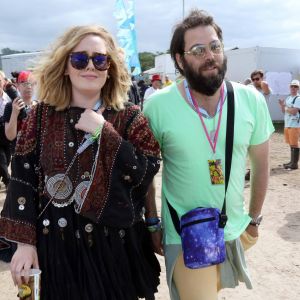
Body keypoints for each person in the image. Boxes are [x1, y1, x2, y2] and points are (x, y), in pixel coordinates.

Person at [0, 25, 161, 300]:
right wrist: (24, 243)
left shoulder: (130, 117)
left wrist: (105, 133)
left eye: (100, 59)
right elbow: (22, 179)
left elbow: (145, 174)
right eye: (80, 59)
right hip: (56, 252)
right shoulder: (40, 117)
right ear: (65, 66)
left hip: (115, 252)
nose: (91, 66)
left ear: (109, 67)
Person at [144, 9, 274, 300]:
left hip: (235, 230)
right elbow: (145, 174)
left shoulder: (250, 99)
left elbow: (261, 164)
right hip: (185, 234)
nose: (210, 56)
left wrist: (254, 219)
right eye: (198, 50)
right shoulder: (158, 107)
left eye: (215, 46)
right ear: (180, 59)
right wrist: (152, 223)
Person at [3, 71, 37, 154]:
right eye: (25, 83)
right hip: (19, 155)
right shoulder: (10, 106)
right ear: (17, 86)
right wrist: (15, 113)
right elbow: (10, 136)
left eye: (31, 83)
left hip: (38, 155)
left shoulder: (39, 106)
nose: (29, 87)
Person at [278, 79, 300, 169]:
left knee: (295, 143)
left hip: (295, 124)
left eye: (296, 86)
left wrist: (286, 107)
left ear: (298, 88)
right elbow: (284, 111)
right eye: (292, 86)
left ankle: (294, 164)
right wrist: (282, 105)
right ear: (290, 87)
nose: (293, 88)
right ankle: (292, 162)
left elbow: (294, 111)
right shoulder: (288, 98)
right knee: (291, 143)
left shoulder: (298, 98)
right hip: (288, 124)